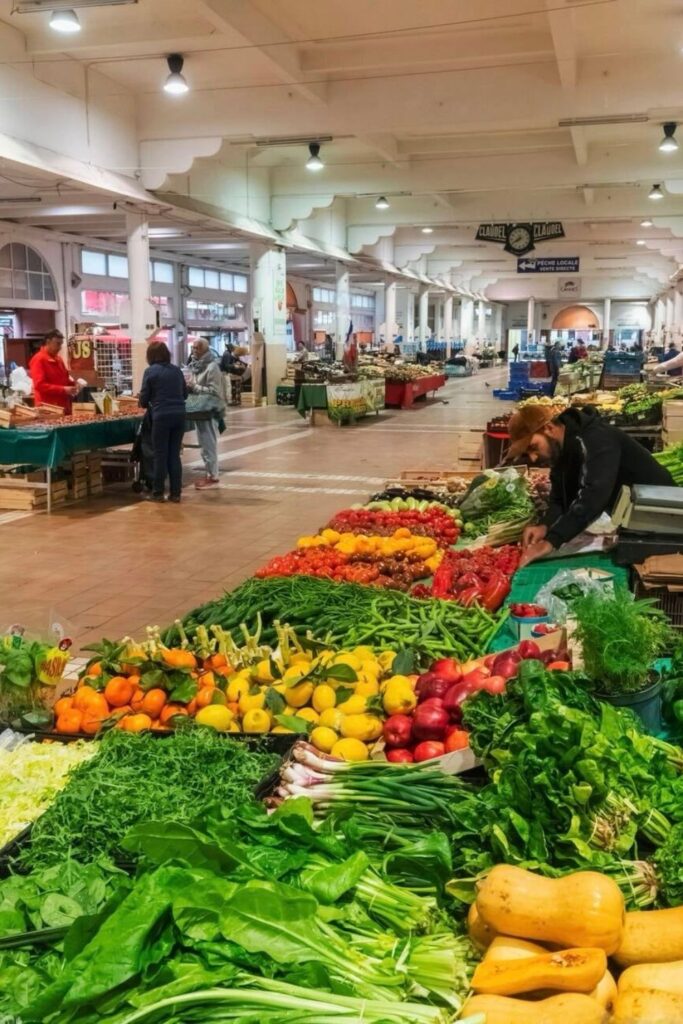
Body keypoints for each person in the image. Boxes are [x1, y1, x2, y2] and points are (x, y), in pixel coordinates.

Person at [508, 404, 674, 567]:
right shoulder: (562, 449)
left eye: (533, 447)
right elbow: (560, 497)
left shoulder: (597, 438)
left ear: (549, 428)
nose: (533, 458)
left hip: (665, 518)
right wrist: (545, 525)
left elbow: (594, 494)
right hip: (634, 522)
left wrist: (552, 541)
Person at [139, 341, 187, 503]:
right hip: (180, 415)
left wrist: (148, 401)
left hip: (161, 416)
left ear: (150, 356)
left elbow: (144, 400)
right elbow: (185, 394)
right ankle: (175, 493)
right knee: (174, 455)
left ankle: (158, 493)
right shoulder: (177, 371)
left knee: (160, 454)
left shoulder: (150, 372)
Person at [187, 337, 225, 489]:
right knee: (203, 443)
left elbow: (214, 391)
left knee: (209, 443)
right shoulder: (196, 366)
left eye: (197, 348)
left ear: (205, 350)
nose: (194, 351)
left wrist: (195, 387)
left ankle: (213, 475)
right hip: (198, 408)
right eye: (193, 348)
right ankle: (209, 473)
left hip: (209, 409)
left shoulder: (212, 367)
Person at [29, 330, 79, 412]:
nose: (60, 347)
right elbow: (39, 385)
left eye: (61, 344)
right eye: (57, 344)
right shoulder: (38, 359)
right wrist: (63, 389)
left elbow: (64, 379)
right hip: (47, 409)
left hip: (63, 406)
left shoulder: (58, 359)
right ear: (48, 342)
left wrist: (74, 384)